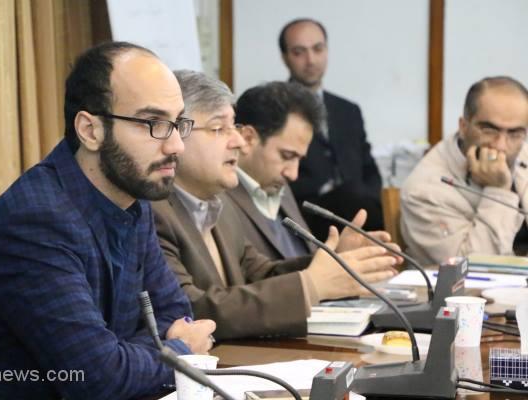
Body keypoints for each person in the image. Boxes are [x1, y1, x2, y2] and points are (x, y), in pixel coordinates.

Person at [0, 42, 216, 400]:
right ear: (90, 130)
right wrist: (178, 352)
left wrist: (122, 356)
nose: (177, 145)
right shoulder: (34, 220)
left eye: (178, 123)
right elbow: (97, 378)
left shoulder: (132, 200)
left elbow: (175, 313)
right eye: (153, 123)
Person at [152, 70, 398, 340]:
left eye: (234, 126)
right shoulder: (153, 214)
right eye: (219, 128)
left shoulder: (220, 204)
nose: (237, 141)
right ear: (176, 134)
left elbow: (261, 274)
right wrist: (311, 285)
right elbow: (191, 310)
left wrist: (332, 263)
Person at [231, 81, 393, 261]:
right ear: (247, 139)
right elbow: (255, 276)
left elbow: (301, 263)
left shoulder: (279, 187)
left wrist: (339, 257)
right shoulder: (219, 202)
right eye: (286, 156)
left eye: (299, 159)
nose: (293, 174)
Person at [400, 76, 528, 265]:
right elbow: (471, 267)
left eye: (515, 133)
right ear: (463, 126)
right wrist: (499, 190)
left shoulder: (523, 153)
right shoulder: (423, 191)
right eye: (489, 130)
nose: (501, 146)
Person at [279, 18, 383, 240]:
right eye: (299, 52)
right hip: (306, 217)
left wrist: (366, 197)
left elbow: (370, 171)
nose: (311, 60)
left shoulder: (348, 110)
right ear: (285, 57)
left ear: (327, 50)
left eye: (318, 49)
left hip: (358, 212)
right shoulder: (276, 108)